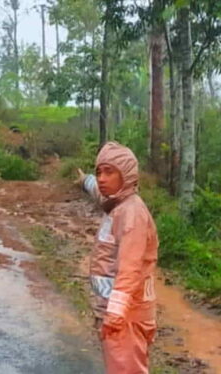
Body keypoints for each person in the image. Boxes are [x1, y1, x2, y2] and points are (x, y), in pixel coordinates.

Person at [77, 142, 158, 374]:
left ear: (127, 176)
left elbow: (130, 269)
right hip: (117, 313)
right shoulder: (118, 204)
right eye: (99, 171)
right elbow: (100, 194)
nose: (102, 178)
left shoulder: (132, 214)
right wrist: (86, 181)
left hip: (127, 316)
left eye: (109, 172)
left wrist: (115, 313)